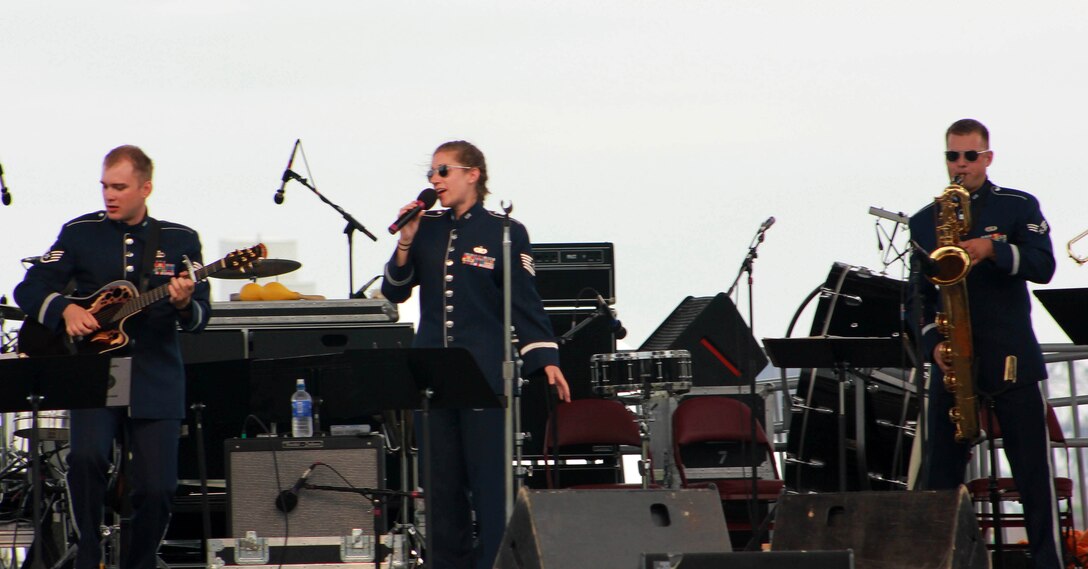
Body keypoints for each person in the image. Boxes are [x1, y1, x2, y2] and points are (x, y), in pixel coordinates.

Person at [15, 145, 211, 569]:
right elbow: (27, 289)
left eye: (119, 187)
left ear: (146, 188)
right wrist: (65, 309)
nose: (109, 195)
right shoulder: (80, 233)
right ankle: (87, 552)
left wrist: (182, 303)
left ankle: (139, 561)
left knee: (159, 487)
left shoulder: (180, 240)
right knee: (86, 459)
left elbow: (200, 318)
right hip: (95, 372)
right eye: (105, 185)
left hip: (155, 374)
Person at [381, 140, 571, 569]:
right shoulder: (426, 227)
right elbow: (393, 290)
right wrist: (406, 240)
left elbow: (524, 301)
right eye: (430, 173)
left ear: (473, 174)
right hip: (432, 374)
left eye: (443, 171)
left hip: (485, 373)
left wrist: (546, 358)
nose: (434, 180)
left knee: (490, 488)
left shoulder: (504, 231)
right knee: (441, 487)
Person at [909, 119, 1061, 568]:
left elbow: (1044, 265)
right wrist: (933, 343)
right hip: (954, 364)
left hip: (1011, 357)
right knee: (941, 478)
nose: (960, 165)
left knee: (1033, 475)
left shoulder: (1017, 206)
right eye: (952, 157)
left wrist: (992, 250)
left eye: (969, 156)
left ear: (987, 158)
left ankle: (1048, 561)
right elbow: (915, 298)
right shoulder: (924, 221)